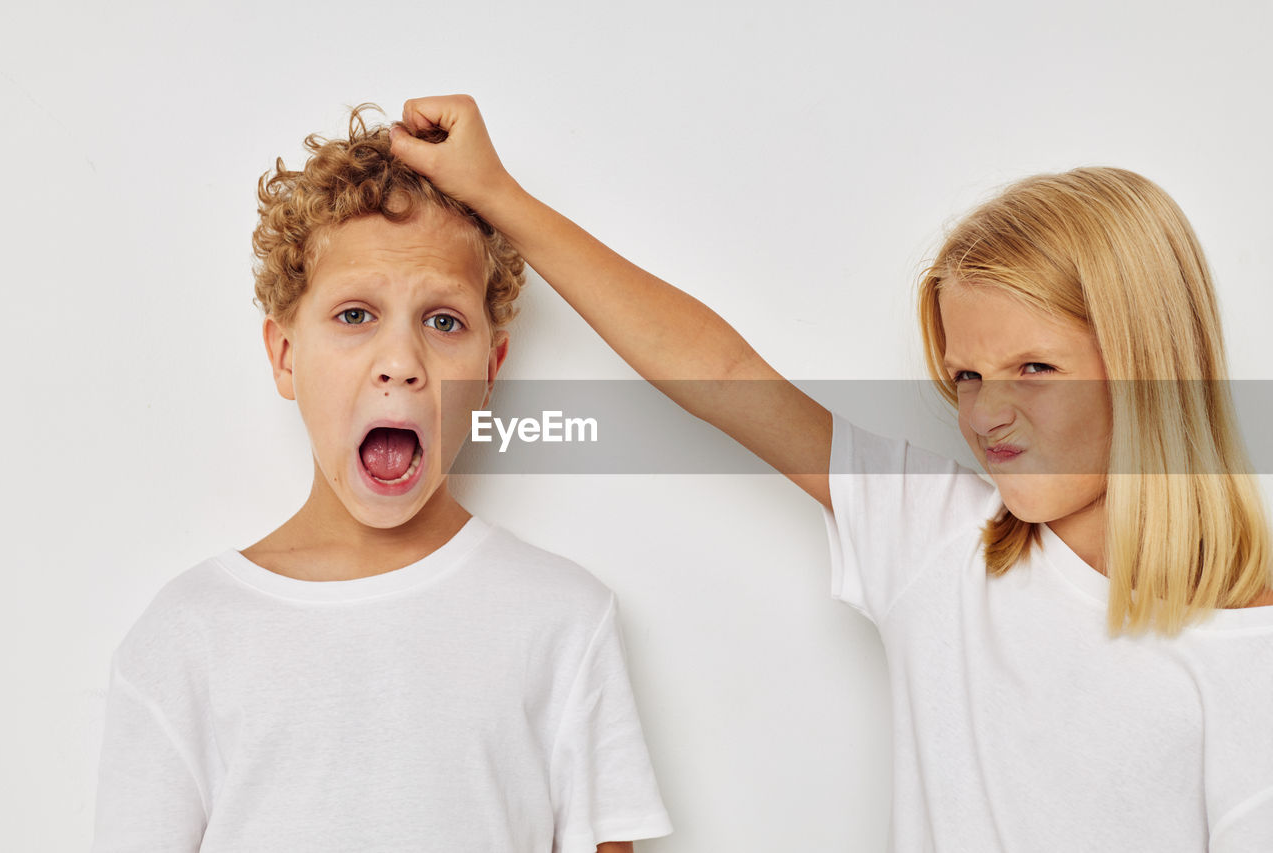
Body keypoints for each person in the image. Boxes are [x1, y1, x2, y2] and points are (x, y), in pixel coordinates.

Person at [388, 95, 1273, 850]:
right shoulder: (938, 539)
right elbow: (725, 376)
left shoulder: (1248, 664)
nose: (987, 414)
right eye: (965, 376)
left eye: (1034, 369)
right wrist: (496, 196)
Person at [91, 106, 671, 853]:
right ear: (285, 356)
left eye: (443, 321)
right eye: (356, 313)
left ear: (489, 374)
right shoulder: (183, 638)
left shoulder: (564, 620)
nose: (401, 361)